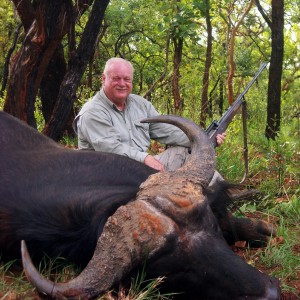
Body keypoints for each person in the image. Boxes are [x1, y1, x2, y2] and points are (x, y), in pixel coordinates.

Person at [73, 57, 226, 172]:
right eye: (116, 78)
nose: (122, 84)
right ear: (104, 79)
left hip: (137, 169)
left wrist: (204, 139)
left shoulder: (141, 104)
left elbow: (166, 131)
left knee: (184, 153)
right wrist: (145, 158)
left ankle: (216, 195)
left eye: (127, 79)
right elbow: (110, 149)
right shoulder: (92, 112)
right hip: (104, 175)